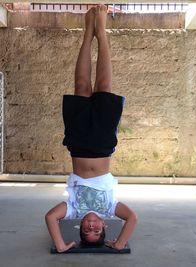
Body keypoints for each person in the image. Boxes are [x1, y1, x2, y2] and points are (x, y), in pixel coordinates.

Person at [45, 4, 137, 253]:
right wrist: (119, 244)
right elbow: (133, 219)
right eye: (98, 230)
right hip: (103, 144)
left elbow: (51, 218)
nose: (92, 225)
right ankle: (102, 31)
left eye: (87, 229)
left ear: (80, 226)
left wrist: (62, 245)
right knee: (104, 85)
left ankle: (88, 31)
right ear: (106, 225)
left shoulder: (73, 209)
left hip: (79, 143)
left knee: (82, 85)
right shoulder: (110, 208)